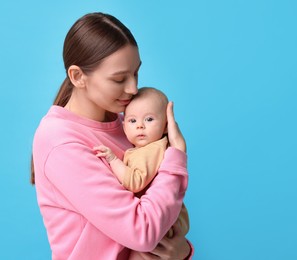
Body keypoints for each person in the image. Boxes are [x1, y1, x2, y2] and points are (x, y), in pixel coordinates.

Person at [31, 12, 193, 260]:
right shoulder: (60, 142)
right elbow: (143, 232)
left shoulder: (128, 126)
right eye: (119, 79)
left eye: (135, 73)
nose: (133, 88)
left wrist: (182, 251)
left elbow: (162, 216)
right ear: (77, 76)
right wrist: (176, 156)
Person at [93, 87, 189, 246]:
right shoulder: (145, 149)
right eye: (132, 120)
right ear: (124, 126)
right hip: (163, 219)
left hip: (164, 226)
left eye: (149, 119)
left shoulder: (152, 150)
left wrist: (113, 159)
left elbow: (134, 182)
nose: (140, 126)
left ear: (166, 125)